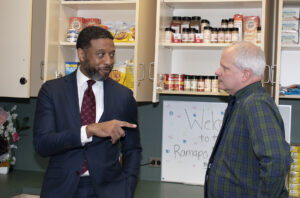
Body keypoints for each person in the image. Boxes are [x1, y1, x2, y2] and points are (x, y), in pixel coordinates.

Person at [34, 26, 142, 198]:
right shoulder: (52, 91)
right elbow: (42, 144)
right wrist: (88, 130)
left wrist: (127, 189)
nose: (108, 61)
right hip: (61, 190)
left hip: (110, 191)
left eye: (112, 54)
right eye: (100, 54)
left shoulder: (124, 96)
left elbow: (133, 150)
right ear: (82, 54)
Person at [204, 41, 292, 198]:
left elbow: (276, 159)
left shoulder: (255, 104)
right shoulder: (240, 101)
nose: (217, 71)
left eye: (225, 68)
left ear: (245, 74)